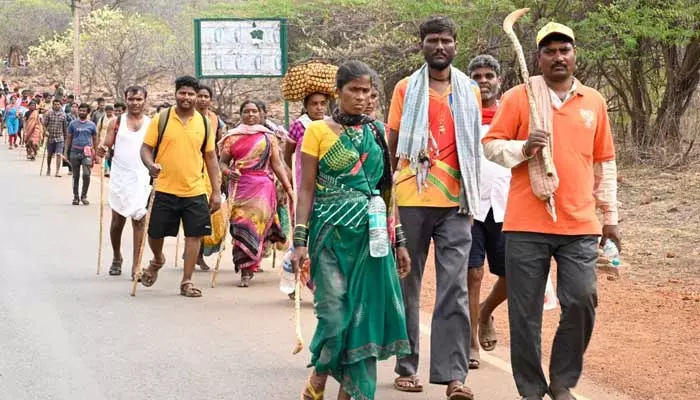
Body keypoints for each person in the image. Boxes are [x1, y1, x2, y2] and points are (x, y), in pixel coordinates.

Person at [482, 23, 621, 400]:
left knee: (581, 300)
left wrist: (610, 217)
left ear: (575, 55)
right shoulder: (518, 98)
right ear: (538, 58)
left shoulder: (593, 101)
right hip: (526, 223)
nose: (558, 57)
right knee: (524, 314)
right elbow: (491, 146)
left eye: (565, 50)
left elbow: (604, 161)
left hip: (579, 223)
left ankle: (562, 382)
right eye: (550, 51)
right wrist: (525, 148)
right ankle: (531, 389)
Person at [292, 60, 411, 400]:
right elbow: (306, 189)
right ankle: (319, 373)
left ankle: (351, 391)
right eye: (354, 90)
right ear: (338, 92)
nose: (362, 98)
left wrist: (398, 241)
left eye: (368, 92)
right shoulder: (317, 131)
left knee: (364, 318)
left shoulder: (376, 131)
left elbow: (387, 190)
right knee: (333, 316)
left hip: (372, 239)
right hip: (329, 235)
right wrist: (299, 239)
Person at [387, 16, 481, 399]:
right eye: (432, 40)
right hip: (411, 198)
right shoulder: (405, 88)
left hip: (457, 201)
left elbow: (474, 145)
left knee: (454, 287)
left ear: (456, 45)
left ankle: (454, 375)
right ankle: (406, 366)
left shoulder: (469, 89)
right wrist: (385, 197)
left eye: (446, 40)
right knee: (408, 283)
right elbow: (392, 144)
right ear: (421, 45)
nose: (439, 46)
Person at [139, 75, 222, 298]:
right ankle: (157, 259)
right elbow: (146, 149)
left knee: (194, 235)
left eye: (191, 94)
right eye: (182, 93)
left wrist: (216, 190)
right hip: (164, 187)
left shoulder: (204, 123)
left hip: (194, 189)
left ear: (197, 97)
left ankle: (186, 282)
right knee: (155, 233)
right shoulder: (162, 119)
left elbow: (211, 158)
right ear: (176, 94)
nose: (186, 97)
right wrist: (150, 165)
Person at [462, 54, 509, 370]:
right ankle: (471, 343)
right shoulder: (462, 114)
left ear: (499, 80)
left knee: (513, 275)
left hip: (508, 203)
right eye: (476, 76)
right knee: (473, 272)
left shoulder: (513, 112)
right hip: (470, 204)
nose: (483, 81)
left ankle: (484, 311)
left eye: (488, 75)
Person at [217, 100, 292, 287]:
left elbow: (276, 164)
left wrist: (287, 186)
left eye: (254, 111)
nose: (250, 115)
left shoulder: (268, 137)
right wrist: (228, 172)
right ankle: (246, 266)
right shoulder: (231, 138)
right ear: (240, 114)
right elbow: (222, 162)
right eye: (246, 111)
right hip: (239, 186)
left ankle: (248, 269)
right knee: (240, 225)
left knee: (256, 225)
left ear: (260, 114)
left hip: (263, 188)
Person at [96, 86, 151, 278]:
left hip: (142, 176)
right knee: (118, 220)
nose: (134, 103)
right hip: (120, 175)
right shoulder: (116, 122)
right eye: (131, 99)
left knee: (140, 218)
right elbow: (106, 144)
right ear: (125, 100)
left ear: (145, 100)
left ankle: (136, 265)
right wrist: (102, 149)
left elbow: (155, 149)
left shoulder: (151, 124)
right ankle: (117, 256)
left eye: (138, 99)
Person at [282, 91, 330, 296]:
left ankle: (319, 283)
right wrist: (288, 182)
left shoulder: (332, 125)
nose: (319, 108)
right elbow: (287, 156)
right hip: (304, 188)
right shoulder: (298, 126)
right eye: (314, 104)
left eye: (322, 103)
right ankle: (295, 281)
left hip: (327, 189)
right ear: (306, 106)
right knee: (302, 235)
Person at [194, 84, 225, 269]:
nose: (202, 99)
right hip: (192, 168)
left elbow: (218, 147)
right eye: (200, 96)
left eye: (206, 96)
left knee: (212, 213)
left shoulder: (215, 119)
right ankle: (196, 254)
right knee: (196, 211)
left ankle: (198, 250)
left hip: (210, 168)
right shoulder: (190, 117)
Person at [65, 103, 97, 205]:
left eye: (84, 111)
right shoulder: (73, 124)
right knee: (76, 175)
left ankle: (84, 196)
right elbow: (68, 138)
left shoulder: (92, 125)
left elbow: (95, 139)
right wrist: (65, 152)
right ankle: (75, 197)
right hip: (74, 152)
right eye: (80, 110)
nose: (82, 112)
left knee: (86, 174)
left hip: (87, 153)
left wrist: (95, 152)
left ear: (88, 112)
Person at [43, 98, 69, 177]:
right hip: (50, 136)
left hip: (59, 137)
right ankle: (48, 168)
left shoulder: (63, 114)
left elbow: (64, 126)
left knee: (59, 154)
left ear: (60, 105)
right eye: (55, 104)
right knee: (49, 154)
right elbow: (44, 124)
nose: (57, 106)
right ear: (53, 105)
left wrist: (65, 137)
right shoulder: (48, 113)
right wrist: (45, 131)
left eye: (58, 104)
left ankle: (57, 171)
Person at [104, 102, 125, 177]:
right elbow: (110, 139)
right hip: (114, 151)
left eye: (119, 111)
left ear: (124, 111)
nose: (117, 112)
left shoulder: (129, 123)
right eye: (116, 111)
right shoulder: (112, 123)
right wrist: (108, 152)